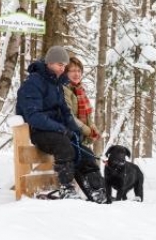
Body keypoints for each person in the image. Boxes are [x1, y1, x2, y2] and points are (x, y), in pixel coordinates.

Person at [16, 46, 106, 203]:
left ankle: (97, 190)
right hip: (39, 131)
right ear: (49, 63)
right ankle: (66, 188)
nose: (62, 68)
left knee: (86, 153)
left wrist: (74, 130)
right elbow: (33, 116)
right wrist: (60, 128)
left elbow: (65, 112)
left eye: (64, 65)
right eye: (60, 64)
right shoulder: (33, 83)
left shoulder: (57, 83)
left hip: (57, 131)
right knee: (65, 147)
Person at [62, 56, 106, 203]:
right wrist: (87, 130)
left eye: (79, 70)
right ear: (65, 72)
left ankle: (99, 191)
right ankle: (95, 193)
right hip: (66, 135)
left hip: (76, 136)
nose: (76, 74)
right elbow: (69, 116)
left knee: (87, 155)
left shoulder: (80, 90)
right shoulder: (64, 89)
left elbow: (87, 117)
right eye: (72, 70)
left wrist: (93, 129)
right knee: (86, 155)